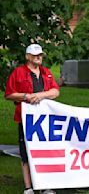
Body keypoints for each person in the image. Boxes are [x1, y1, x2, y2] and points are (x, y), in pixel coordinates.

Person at [4, 44, 60, 194]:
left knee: (45, 151)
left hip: (45, 119)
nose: (39, 57)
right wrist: (25, 97)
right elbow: (9, 94)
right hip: (26, 120)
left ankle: (44, 185)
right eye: (35, 55)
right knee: (26, 152)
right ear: (27, 57)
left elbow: (55, 91)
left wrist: (41, 95)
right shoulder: (18, 73)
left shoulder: (46, 72)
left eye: (40, 55)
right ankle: (28, 187)